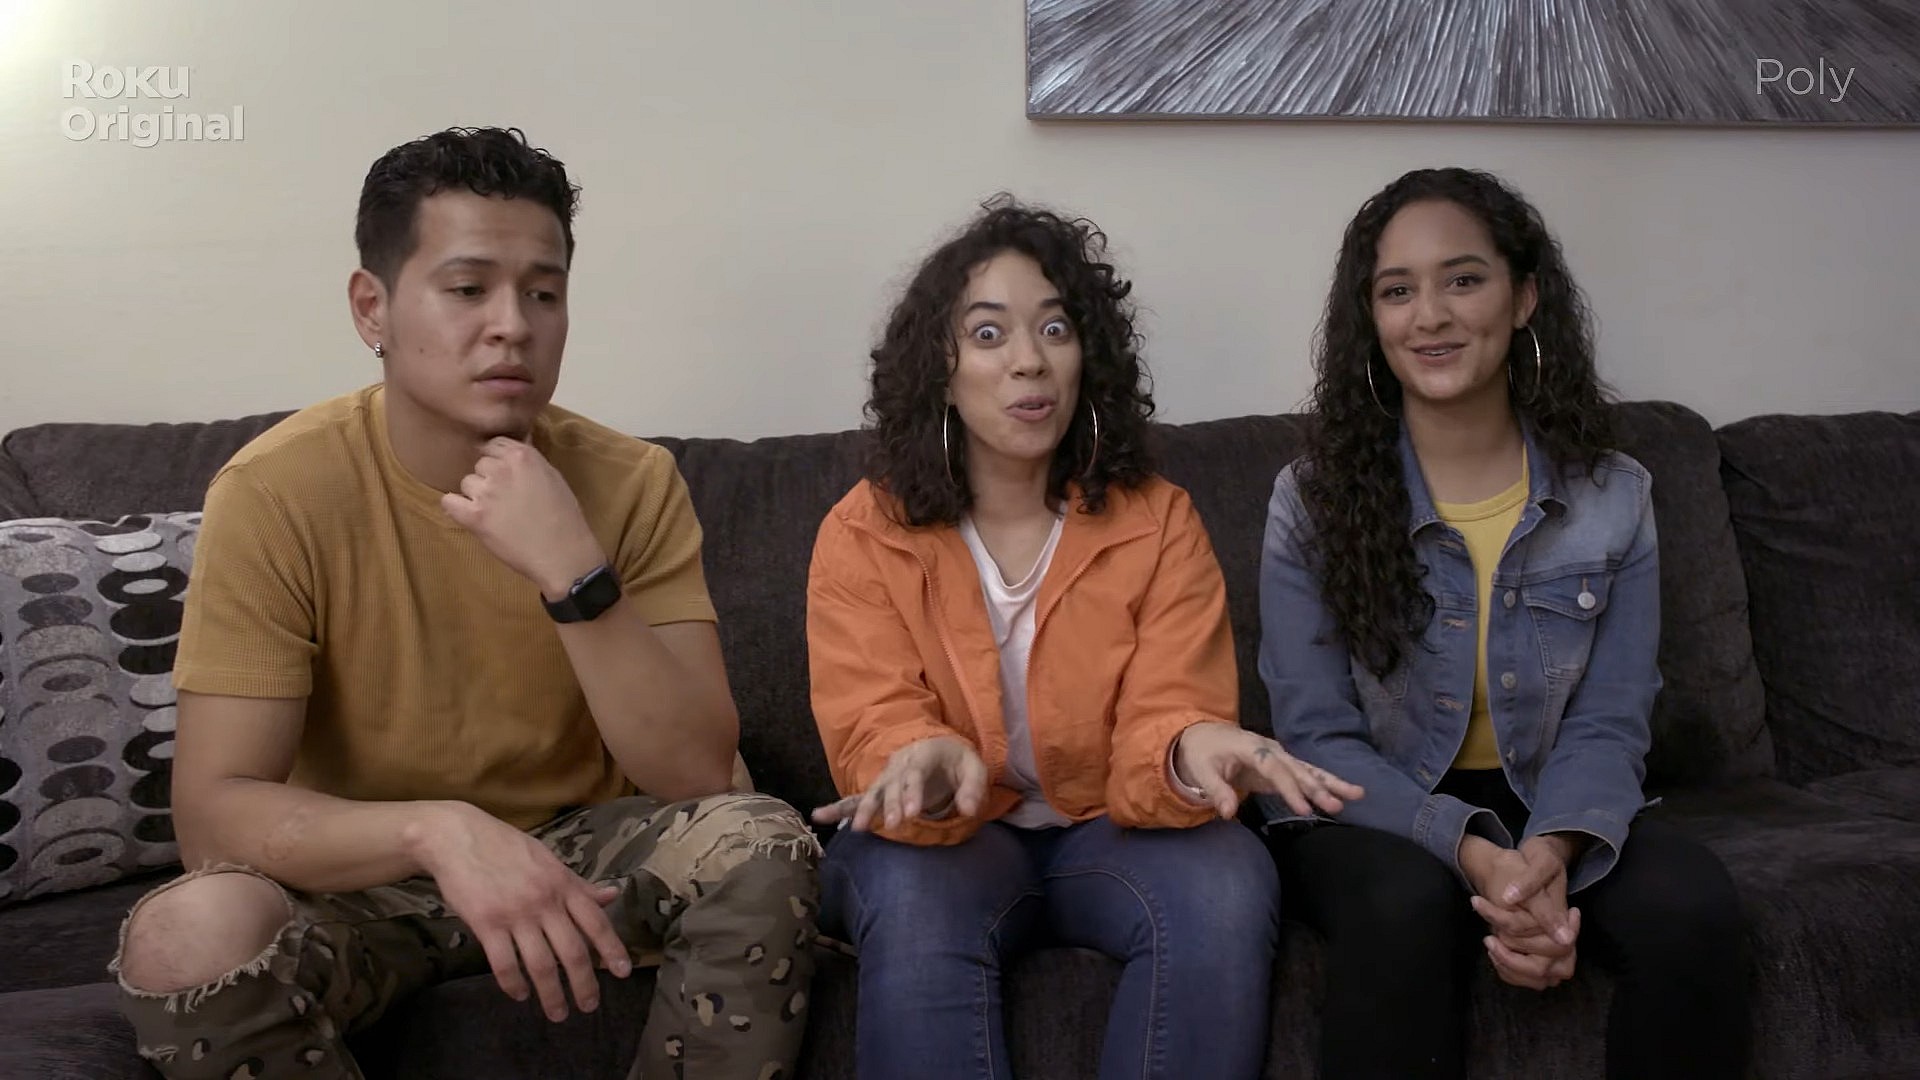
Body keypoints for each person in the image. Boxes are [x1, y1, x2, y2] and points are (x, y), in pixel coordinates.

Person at [109, 126, 820, 1080]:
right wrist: (438, 830)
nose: (513, 325)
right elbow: (214, 816)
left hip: (584, 860)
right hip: (363, 881)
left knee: (761, 841)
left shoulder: (633, 481)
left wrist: (573, 571)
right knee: (184, 935)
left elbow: (697, 772)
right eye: (468, 288)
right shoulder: (274, 492)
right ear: (372, 307)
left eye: (543, 293)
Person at [805, 197, 1363, 1080]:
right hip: (949, 844)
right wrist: (920, 756)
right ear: (939, 370)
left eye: (1055, 328)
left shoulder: (1158, 521)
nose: (1029, 359)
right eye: (989, 334)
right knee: (908, 891)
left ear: (1086, 359)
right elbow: (868, 712)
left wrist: (1193, 746)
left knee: (1227, 878)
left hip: (1112, 828)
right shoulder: (863, 531)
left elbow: (1171, 706)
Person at [1257, 166, 1752, 1079]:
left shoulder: (1613, 495)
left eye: (1463, 279)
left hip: (1550, 794)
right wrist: (1475, 850)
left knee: (1695, 910)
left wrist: (1549, 850)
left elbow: (1611, 721)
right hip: (1373, 807)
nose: (1430, 316)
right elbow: (1317, 737)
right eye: (1397, 291)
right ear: (1370, 319)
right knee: (1403, 905)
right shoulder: (1312, 499)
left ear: (1523, 298)